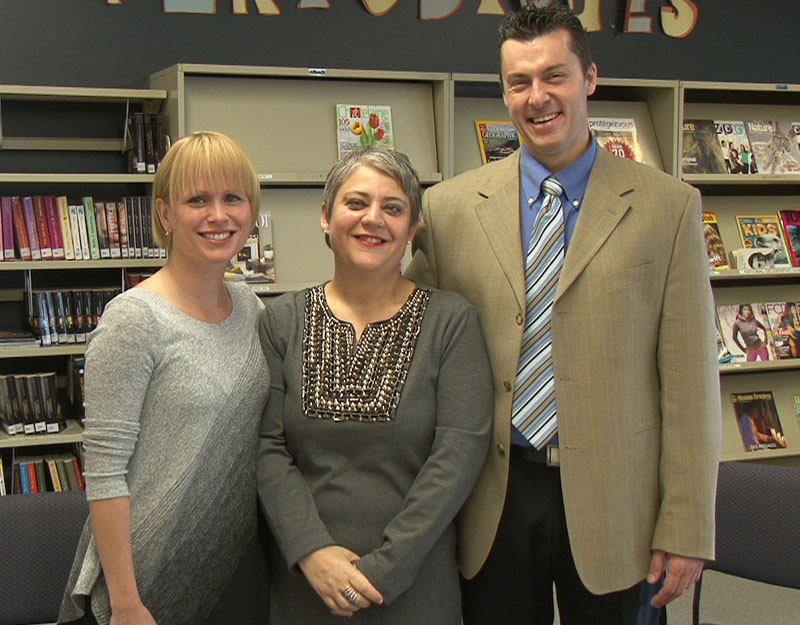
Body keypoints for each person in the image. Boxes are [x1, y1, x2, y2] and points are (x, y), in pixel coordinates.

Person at [405, 5, 722, 625]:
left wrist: (686, 523)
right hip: (493, 496)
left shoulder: (669, 209)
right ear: (504, 91)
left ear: (590, 78)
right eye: (519, 82)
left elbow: (690, 381)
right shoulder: (449, 210)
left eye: (555, 76)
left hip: (618, 502)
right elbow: (407, 332)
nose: (537, 97)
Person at [256, 146, 492, 624]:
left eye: (393, 207)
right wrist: (312, 553)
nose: (373, 219)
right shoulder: (281, 321)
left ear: (411, 229)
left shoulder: (451, 322)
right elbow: (268, 448)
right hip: (305, 586)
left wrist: (384, 570)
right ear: (326, 216)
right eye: (356, 203)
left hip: (412, 588)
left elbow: (457, 457)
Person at [58, 131, 270, 625]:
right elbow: (105, 473)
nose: (219, 216)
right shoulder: (134, 319)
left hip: (233, 570)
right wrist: (129, 606)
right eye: (198, 199)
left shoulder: (251, 307)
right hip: (140, 586)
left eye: (232, 198)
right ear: (165, 214)